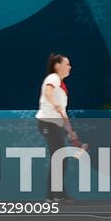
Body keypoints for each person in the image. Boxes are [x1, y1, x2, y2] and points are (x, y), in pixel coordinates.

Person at [36, 54, 86, 200]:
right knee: (59, 157)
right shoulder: (53, 78)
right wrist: (54, 103)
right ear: (57, 65)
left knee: (61, 157)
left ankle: (57, 193)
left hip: (56, 124)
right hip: (47, 122)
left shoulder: (62, 87)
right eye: (67, 64)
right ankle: (53, 195)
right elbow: (48, 92)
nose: (69, 67)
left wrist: (70, 131)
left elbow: (62, 112)